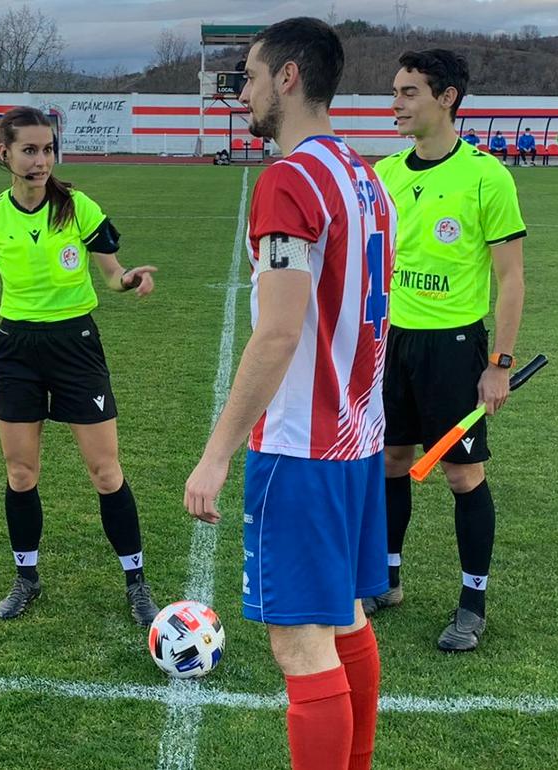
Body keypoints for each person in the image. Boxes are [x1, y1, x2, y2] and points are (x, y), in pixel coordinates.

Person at [184, 18, 391, 770]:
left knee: (300, 643)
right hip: (358, 441)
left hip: (304, 448)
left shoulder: (290, 178)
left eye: (249, 75)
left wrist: (214, 455)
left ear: (289, 78)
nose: (242, 91)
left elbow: (278, 331)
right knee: (346, 620)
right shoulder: (365, 176)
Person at [0, 106, 162, 627]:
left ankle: (136, 583)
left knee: (105, 471)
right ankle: (26, 577)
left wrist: (129, 279)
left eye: (47, 149)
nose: (41, 160)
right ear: (3, 153)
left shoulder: (78, 207)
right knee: (21, 472)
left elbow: (111, 273)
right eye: (29, 150)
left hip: (76, 344)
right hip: (15, 349)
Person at [370, 49, 526, 653]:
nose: (396, 103)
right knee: (390, 461)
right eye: (395, 90)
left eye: (408, 92)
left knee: (463, 476)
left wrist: (500, 364)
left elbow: (510, 278)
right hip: (393, 344)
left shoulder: (487, 176)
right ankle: (386, 580)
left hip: (456, 349)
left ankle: (472, 602)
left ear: (447, 98)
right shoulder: (385, 173)